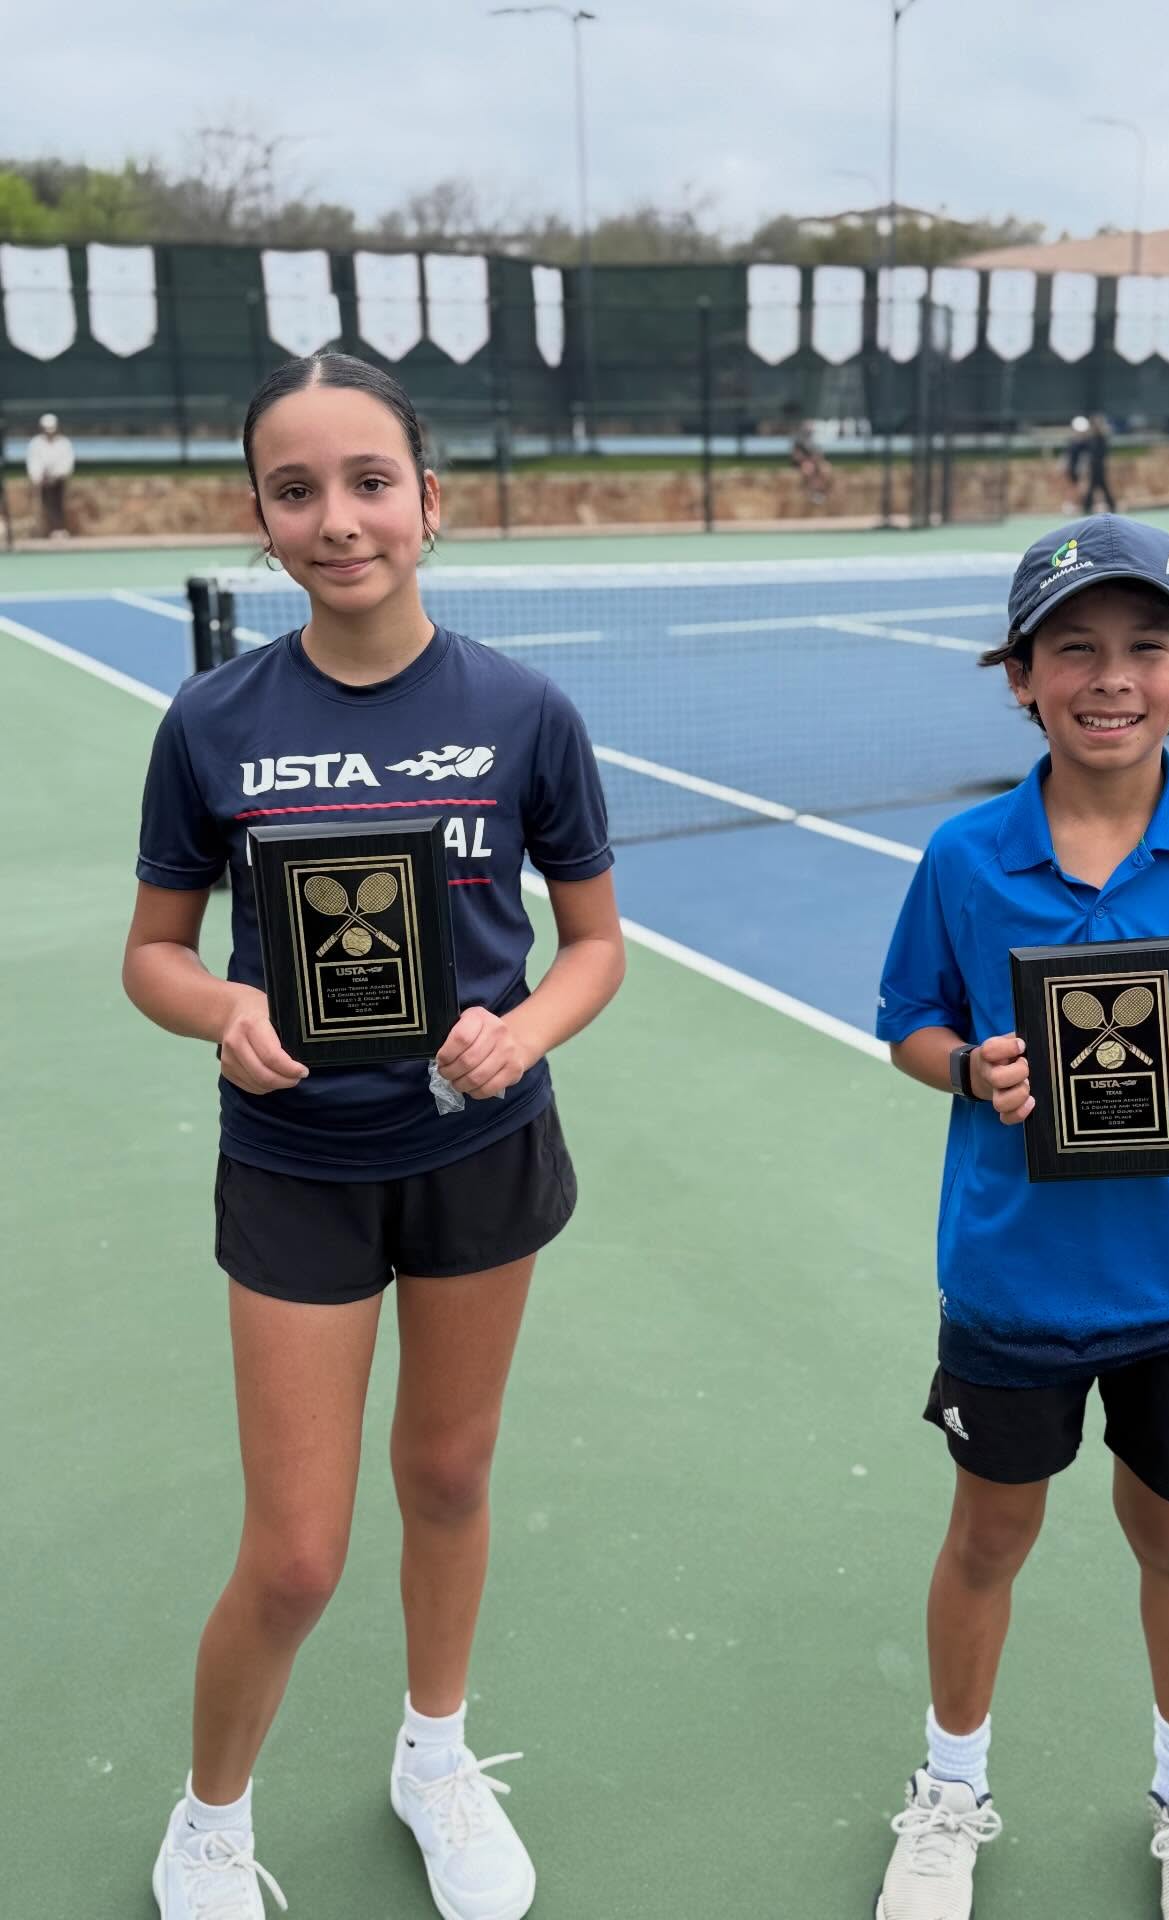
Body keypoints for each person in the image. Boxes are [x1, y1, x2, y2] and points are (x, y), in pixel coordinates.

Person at [124, 351, 625, 1920]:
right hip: (297, 1173)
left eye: (369, 482)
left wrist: (520, 1028)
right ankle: (208, 1821)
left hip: (480, 1154)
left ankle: (434, 1755)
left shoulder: (526, 713)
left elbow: (597, 947)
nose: (338, 519)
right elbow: (153, 955)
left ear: (431, 502)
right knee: (293, 1555)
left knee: (453, 1479)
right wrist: (224, 1015)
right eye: (296, 490)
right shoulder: (210, 723)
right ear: (260, 524)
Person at [874, 514, 1169, 1920]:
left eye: (1147, 646)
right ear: (1021, 677)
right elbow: (910, 1026)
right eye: (1075, 648)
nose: (1112, 676)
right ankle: (950, 1792)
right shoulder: (966, 858)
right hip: (1012, 1289)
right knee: (987, 1541)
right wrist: (973, 1067)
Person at [26, 410, 75, 537]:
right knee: (46, 504)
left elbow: (67, 462)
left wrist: (57, 475)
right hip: (43, 480)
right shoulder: (35, 443)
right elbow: (33, 462)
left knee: (58, 503)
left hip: (59, 480)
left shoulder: (64, 443)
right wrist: (37, 478)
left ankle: (59, 528)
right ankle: (48, 529)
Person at [790, 418, 833, 504]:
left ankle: (821, 491)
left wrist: (817, 459)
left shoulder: (814, 439)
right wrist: (807, 460)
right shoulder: (799, 440)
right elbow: (796, 456)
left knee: (825, 469)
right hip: (803, 463)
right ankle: (812, 493)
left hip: (814, 462)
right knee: (808, 469)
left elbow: (819, 454)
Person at [1082, 412, 1117, 514]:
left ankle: (1112, 506)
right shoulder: (1090, 439)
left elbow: (1105, 455)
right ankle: (1086, 507)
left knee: (1103, 487)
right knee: (1092, 488)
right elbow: (1086, 453)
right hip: (1093, 467)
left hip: (1100, 467)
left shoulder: (1102, 439)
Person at [1063, 414, 1089, 513]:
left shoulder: (1086, 443)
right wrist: (1064, 464)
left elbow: (1086, 457)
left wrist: (1084, 468)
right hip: (1072, 468)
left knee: (1082, 487)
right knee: (1072, 487)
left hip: (1081, 469)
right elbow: (1067, 455)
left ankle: (1082, 505)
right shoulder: (1071, 442)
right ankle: (1070, 505)